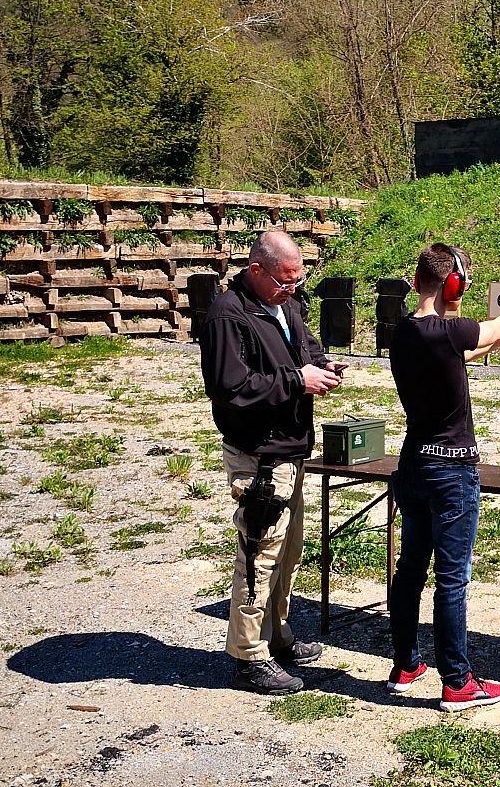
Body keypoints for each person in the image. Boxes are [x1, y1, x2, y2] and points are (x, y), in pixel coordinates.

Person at [387, 242, 500, 711]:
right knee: (452, 580)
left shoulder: (406, 333)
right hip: (452, 472)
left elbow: (469, 350)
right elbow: (487, 327)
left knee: (410, 570)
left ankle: (405, 664)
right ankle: (457, 682)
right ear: (452, 285)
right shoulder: (450, 329)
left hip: (413, 467)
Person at [199, 230, 345, 695]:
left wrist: (322, 367)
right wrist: (297, 381)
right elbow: (231, 388)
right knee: (258, 552)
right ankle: (248, 657)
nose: (293, 289)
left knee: (288, 553)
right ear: (256, 270)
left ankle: (275, 636)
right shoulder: (227, 315)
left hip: (291, 446)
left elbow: (305, 348)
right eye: (285, 281)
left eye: (298, 280)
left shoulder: (287, 303)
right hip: (258, 455)